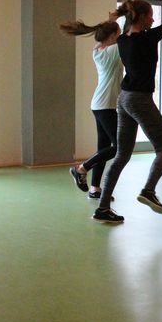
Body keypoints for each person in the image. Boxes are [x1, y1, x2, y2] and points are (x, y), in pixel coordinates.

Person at [92, 0, 162, 223]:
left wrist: (133, 2)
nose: (153, 20)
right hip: (140, 99)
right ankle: (148, 191)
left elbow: (127, 23)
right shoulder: (148, 38)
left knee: (121, 155)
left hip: (124, 99)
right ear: (141, 17)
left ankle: (102, 208)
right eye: (151, 15)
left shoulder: (123, 40)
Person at [60, 12, 124, 200]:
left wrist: (113, 20)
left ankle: (95, 189)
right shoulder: (112, 51)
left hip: (99, 104)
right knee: (119, 146)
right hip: (105, 105)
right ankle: (81, 168)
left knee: (103, 147)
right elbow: (129, 36)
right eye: (118, 34)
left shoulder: (98, 50)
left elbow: (109, 33)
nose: (120, 36)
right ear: (112, 37)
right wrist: (124, 16)